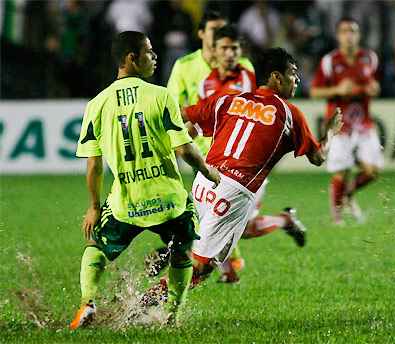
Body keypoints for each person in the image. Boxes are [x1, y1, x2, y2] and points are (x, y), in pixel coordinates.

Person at [141, 47, 342, 305]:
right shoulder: (290, 113)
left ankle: (168, 261)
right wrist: (331, 132)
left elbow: (182, 114)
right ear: (276, 78)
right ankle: (140, 304)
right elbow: (318, 157)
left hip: (204, 181)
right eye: (293, 73)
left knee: (198, 246)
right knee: (201, 268)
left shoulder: (228, 99)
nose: (297, 80)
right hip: (234, 193)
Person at [69, 31, 220, 330]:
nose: (154, 57)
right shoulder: (161, 96)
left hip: (127, 202)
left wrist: (94, 206)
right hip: (169, 201)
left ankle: (87, 302)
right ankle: (172, 317)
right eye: (149, 52)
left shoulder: (96, 105)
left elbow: (94, 164)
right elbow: (183, 149)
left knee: (95, 247)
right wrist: (208, 172)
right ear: (131, 58)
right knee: (182, 251)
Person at [146, 25, 308, 284]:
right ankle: (226, 260)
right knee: (225, 224)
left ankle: (209, 263)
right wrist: (179, 139)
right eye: (224, 47)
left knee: (234, 225)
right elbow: (192, 114)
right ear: (211, 47)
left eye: (234, 48)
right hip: (210, 160)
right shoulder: (206, 79)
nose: (229, 53)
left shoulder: (247, 77)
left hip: (245, 168)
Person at [310, 17, 382, 225]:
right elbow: (314, 91)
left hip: (364, 124)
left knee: (372, 171)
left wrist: (374, 88)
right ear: (338, 36)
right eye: (344, 31)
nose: (348, 35)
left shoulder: (370, 58)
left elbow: (374, 84)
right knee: (340, 172)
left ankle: (348, 196)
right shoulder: (329, 61)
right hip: (339, 125)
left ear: (358, 35)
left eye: (352, 31)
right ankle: (337, 217)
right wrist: (337, 90)